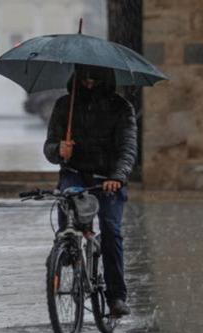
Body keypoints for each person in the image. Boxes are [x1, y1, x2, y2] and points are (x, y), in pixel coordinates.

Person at [43, 65, 137, 317]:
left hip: (107, 178)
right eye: (84, 78)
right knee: (67, 217)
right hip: (74, 173)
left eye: (94, 79)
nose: (89, 83)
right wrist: (58, 150)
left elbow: (128, 147)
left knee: (110, 230)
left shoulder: (121, 108)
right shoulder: (65, 105)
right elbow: (50, 144)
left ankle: (116, 296)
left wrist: (117, 177)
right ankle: (65, 254)